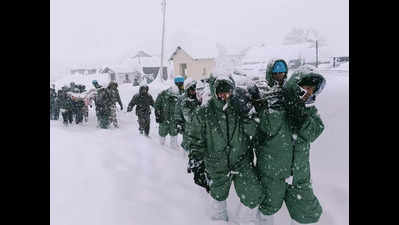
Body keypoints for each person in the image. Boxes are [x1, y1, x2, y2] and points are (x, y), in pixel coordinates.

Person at [255, 65, 326, 225]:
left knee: (306, 213)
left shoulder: (309, 111)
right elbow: (260, 129)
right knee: (269, 207)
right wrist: (269, 110)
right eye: (305, 88)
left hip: (299, 175)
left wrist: (301, 117)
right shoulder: (275, 108)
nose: (308, 93)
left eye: (312, 90)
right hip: (273, 173)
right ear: (296, 86)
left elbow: (315, 131)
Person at [187, 75, 264, 222]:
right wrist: (196, 161)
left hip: (241, 161)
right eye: (220, 92)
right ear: (214, 92)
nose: (224, 95)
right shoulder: (204, 112)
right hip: (216, 164)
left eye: (227, 91)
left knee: (253, 194)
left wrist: (247, 114)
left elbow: (253, 131)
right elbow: (196, 138)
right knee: (218, 199)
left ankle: (243, 220)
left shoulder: (239, 107)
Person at [154, 76, 185, 148]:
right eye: (181, 84)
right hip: (164, 119)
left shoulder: (183, 94)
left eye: (182, 84)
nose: (182, 86)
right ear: (177, 84)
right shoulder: (164, 94)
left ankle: (172, 151)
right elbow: (157, 105)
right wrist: (158, 115)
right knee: (162, 137)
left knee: (173, 136)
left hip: (174, 121)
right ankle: (161, 150)